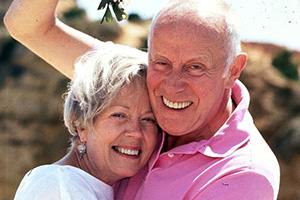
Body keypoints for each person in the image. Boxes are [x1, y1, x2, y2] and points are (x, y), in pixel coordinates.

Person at [4, 0, 280, 199]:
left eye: (195, 67)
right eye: (161, 62)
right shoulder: (135, 78)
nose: (172, 86)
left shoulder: (244, 175)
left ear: (232, 70)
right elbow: (29, 27)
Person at [13, 45, 159, 200]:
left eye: (148, 119)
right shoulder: (58, 185)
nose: (136, 132)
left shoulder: (84, 185)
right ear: (82, 125)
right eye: (119, 115)